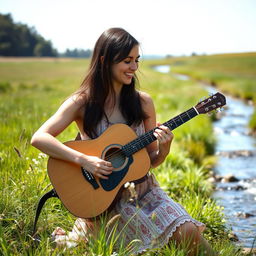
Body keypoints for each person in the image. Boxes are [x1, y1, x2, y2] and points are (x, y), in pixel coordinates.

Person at [31, 27, 215, 255]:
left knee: (189, 232)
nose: (134, 68)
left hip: (145, 193)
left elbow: (148, 162)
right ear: (105, 60)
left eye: (137, 60)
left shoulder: (143, 103)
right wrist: (84, 160)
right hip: (103, 202)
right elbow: (39, 137)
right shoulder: (81, 102)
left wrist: (164, 149)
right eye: (127, 61)